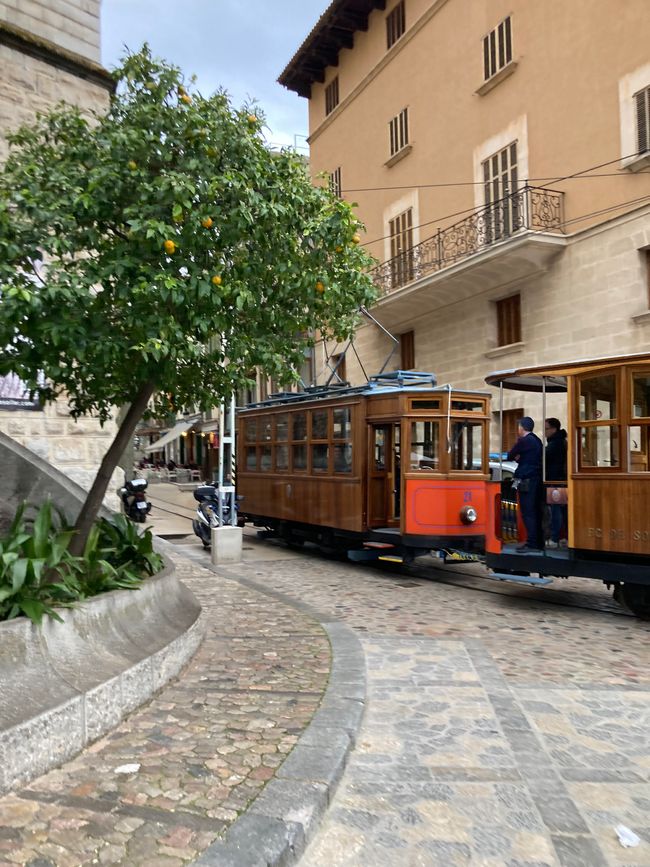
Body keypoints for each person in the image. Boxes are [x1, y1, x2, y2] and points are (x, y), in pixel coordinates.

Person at [507, 416, 543, 551]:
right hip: (536, 479)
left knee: (528, 512)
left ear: (522, 428)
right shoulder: (537, 440)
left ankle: (532, 543)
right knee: (535, 511)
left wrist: (518, 457)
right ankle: (538, 542)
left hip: (527, 480)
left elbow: (510, 455)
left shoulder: (524, 441)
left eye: (518, 427)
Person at [545, 417, 568, 548]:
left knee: (556, 510)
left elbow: (545, 458)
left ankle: (555, 538)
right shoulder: (562, 441)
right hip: (561, 479)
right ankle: (564, 537)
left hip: (555, 480)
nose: (545, 432)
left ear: (554, 429)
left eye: (546, 429)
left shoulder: (555, 443)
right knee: (563, 511)